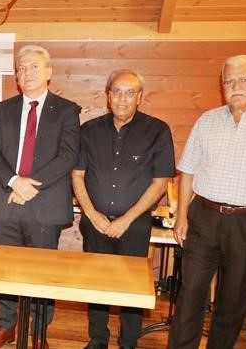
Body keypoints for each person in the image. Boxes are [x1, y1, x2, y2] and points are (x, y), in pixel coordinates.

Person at [169, 55, 246, 349]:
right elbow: (187, 170)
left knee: (232, 301)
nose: (235, 86)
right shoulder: (207, 120)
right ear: (222, 86)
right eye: (229, 81)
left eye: (244, 80)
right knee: (190, 295)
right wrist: (181, 218)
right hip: (204, 217)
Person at [0, 45, 80, 349]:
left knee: (43, 273)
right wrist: (14, 182)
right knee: (7, 270)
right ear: (16, 75)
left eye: (34, 67)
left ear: (48, 72)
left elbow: (68, 156)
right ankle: (6, 326)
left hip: (45, 205)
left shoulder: (67, 110)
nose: (27, 72)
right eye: (21, 68)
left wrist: (28, 186)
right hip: (6, 202)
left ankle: (39, 331)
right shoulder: (4, 109)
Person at [72, 69, 175, 349]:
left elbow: (160, 183)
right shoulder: (89, 130)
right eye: (116, 91)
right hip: (95, 224)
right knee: (97, 286)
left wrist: (126, 219)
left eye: (130, 92)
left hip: (135, 226)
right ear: (107, 96)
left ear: (139, 97)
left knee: (132, 289)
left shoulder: (157, 130)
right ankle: (98, 339)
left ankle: (129, 342)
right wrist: (93, 216)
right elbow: (77, 176)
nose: (122, 98)